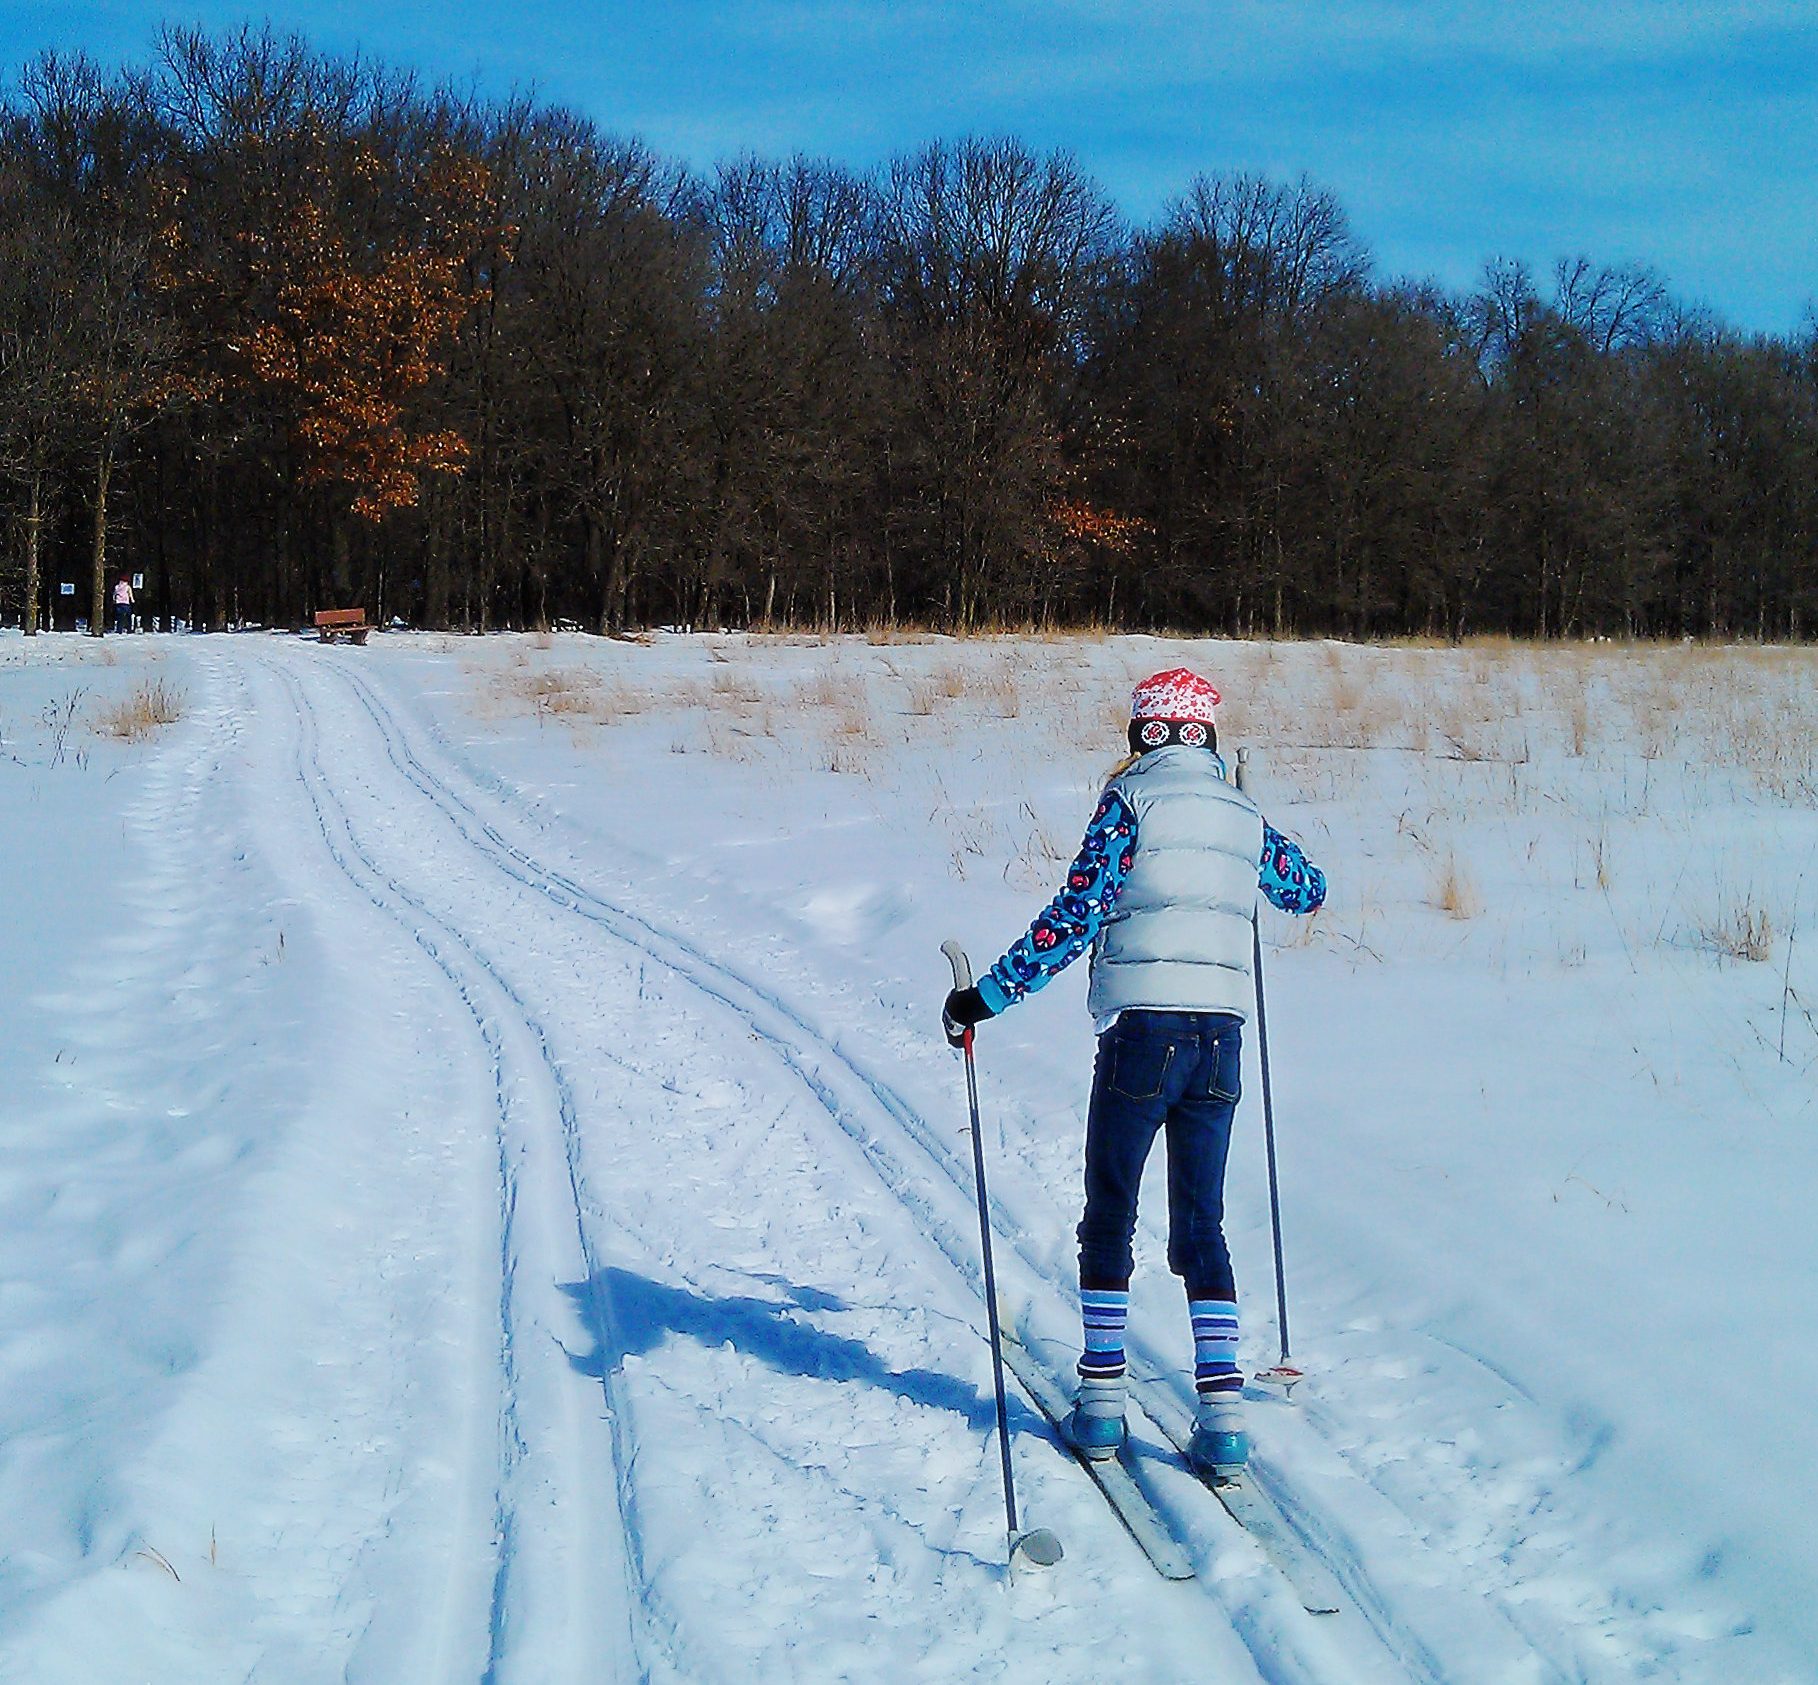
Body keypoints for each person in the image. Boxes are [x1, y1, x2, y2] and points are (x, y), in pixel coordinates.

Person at [942, 667, 1326, 1479]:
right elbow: (1306, 890)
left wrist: (986, 997)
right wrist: (1245, 824)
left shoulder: (1130, 805)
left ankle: (1104, 1404)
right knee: (1202, 1223)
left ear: (1142, 735)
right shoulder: (1242, 812)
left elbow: (1074, 915)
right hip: (1222, 1037)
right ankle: (1222, 1419)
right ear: (1208, 737)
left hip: (1140, 1035)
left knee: (1110, 1210)